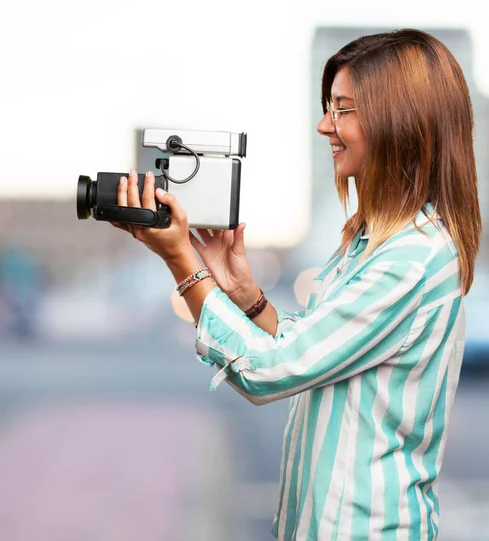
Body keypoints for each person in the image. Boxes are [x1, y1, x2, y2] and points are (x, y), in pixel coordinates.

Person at [111, 28, 482, 540]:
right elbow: (310, 351)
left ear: (399, 121)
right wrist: (244, 294)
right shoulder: (372, 242)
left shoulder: (413, 256)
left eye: (343, 109)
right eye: (329, 106)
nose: (324, 124)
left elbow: (270, 371)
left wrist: (182, 261)